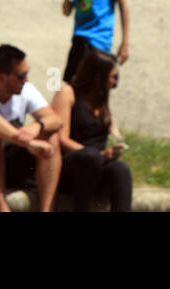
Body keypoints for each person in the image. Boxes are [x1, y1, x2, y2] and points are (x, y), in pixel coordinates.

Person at [0, 43, 62, 213]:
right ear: (1, 77)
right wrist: (25, 141)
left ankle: (47, 209)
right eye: (21, 76)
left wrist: (38, 126)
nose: (26, 80)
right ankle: (1, 207)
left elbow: (56, 119)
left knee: (51, 136)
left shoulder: (25, 89)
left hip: (11, 161)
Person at [52, 47, 132, 211]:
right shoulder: (67, 93)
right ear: (98, 76)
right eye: (113, 77)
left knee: (120, 170)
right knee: (90, 157)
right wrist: (99, 155)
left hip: (97, 165)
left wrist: (113, 150)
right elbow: (62, 140)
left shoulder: (101, 97)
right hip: (73, 165)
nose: (115, 82)